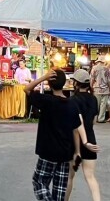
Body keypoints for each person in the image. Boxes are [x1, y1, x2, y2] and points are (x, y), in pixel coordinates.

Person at [25, 69, 85, 201]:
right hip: (65, 152)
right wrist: (77, 151)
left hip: (48, 151)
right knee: (59, 190)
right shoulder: (72, 104)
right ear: (64, 83)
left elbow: (27, 89)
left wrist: (43, 77)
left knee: (39, 182)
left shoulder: (47, 101)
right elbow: (76, 129)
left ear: (50, 84)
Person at [65, 69, 102, 201]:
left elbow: (74, 126)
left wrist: (77, 150)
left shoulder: (72, 100)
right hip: (91, 141)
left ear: (76, 83)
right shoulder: (93, 99)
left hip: (74, 143)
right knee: (91, 177)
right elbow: (93, 121)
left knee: (69, 176)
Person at [89, 59, 110, 123]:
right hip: (105, 89)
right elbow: (109, 80)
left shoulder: (94, 68)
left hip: (97, 88)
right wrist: (109, 87)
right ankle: (101, 119)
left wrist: (91, 87)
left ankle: (94, 118)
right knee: (103, 105)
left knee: (96, 104)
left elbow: (92, 78)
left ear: (98, 62)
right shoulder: (107, 69)